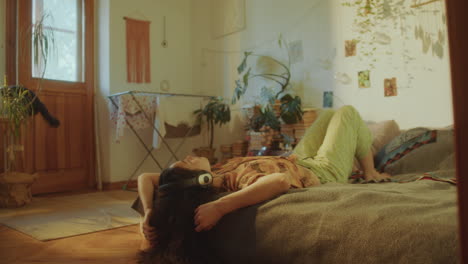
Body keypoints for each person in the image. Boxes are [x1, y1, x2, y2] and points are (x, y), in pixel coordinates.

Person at [134, 105, 390, 251]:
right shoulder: (233, 184)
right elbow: (278, 181)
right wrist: (221, 206)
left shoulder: (217, 172)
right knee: (346, 113)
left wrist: (148, 211)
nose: (190, 155)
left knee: (327, 114)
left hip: (296, 158)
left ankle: (362, 150)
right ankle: (370, 171)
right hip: (320, 171)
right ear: (199, 181)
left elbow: (146, 177)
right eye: (186, 162)